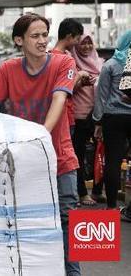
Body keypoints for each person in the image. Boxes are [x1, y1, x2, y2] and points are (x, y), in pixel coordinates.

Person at [0, 13, 80, 276]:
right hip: (23, 163)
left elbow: (59, 100)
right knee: (26, 225)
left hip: (60, 159)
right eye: (35, 36)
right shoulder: (8, 69)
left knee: (69, 222)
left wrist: (39, 137)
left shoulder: (64, 63)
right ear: (19, 40)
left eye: (45, 35)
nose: (42, 41)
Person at [92, 31, 131, 210]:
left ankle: (112, 206)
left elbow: (101, 96)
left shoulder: (111, 64)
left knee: (113, 161)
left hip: (113, 118)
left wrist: (98, 121)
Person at [69, 33, 104, 206]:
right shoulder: (73, 64)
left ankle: (97, 191)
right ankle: (82, 193)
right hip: (80, 115)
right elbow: (68, 89)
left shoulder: (100, 62)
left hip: (98, 115)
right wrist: (80, 81)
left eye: (90, 44)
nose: (87, 47)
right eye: (83, 44)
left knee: (100, 154)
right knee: (79, 155)